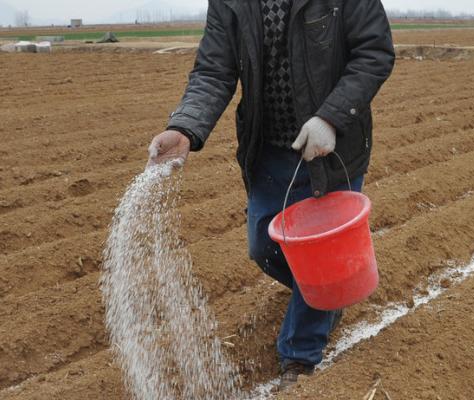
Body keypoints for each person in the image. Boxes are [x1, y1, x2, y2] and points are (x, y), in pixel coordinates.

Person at [147, 0, 395, 390]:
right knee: (263, 246)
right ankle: (328, 295)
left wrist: (330, 117)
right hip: (269, 149)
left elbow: (374, 53)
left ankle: (299, 357)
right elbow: (214, 69)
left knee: (319, 254)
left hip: (330, 149)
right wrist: (185, 128)